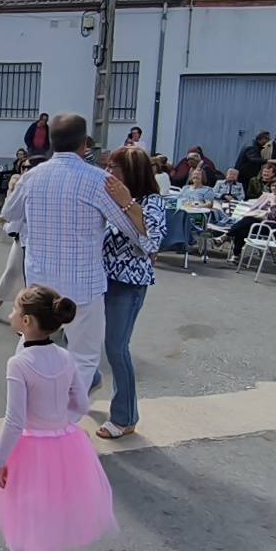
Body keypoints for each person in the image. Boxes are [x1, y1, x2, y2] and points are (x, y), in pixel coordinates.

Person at [1, 113, 149, 402]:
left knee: (31, 344)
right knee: (83, 356)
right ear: (84, 145)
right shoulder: (99, 180)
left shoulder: (32, 177)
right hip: (84, 286)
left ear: (51, 142)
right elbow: (132, 230)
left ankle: (27, 405)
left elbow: (9, 214)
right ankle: (65, 414)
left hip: (41, 284)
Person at [0, 285, 117, 551]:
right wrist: (59, 422)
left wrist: (0, 458)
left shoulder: (18, 363)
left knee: (28, 516)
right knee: (56, 512)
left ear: (26, 321)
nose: (10, 315)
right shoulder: (65, 357)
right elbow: (81, 403)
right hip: (66, 445)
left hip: (29, 450)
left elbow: (15, 420)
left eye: (15, 311)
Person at [94, 147, 165, 440]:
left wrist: (127, 205)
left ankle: (125, 416)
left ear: (132, 172)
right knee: (81, 336)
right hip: (99, 279)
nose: (109, 173)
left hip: (128, 284)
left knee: (116, 347)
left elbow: (152, 243)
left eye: (115, 168)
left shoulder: (151, 202)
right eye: (108, 167)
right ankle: (89, 380)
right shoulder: (107, 198)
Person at [0, 159, 41, 323]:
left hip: (38, 241)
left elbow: (12, 215)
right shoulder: (19, 184)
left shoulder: (39, 187)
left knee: (34, 282)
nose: (25, 170)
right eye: (23, 167)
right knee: (11, 272)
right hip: (21, 238)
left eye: (29, 167)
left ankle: (28, 319)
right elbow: (10, 213)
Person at [226, 175, 276, 263]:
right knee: (244, 227)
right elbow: (254, 208)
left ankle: (227, 236)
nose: (274, 188)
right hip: (257, 224)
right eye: (272, 186)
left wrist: (273, 208)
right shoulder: (266, 196)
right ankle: (235, 255)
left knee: (250, 222)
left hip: (274, 228)